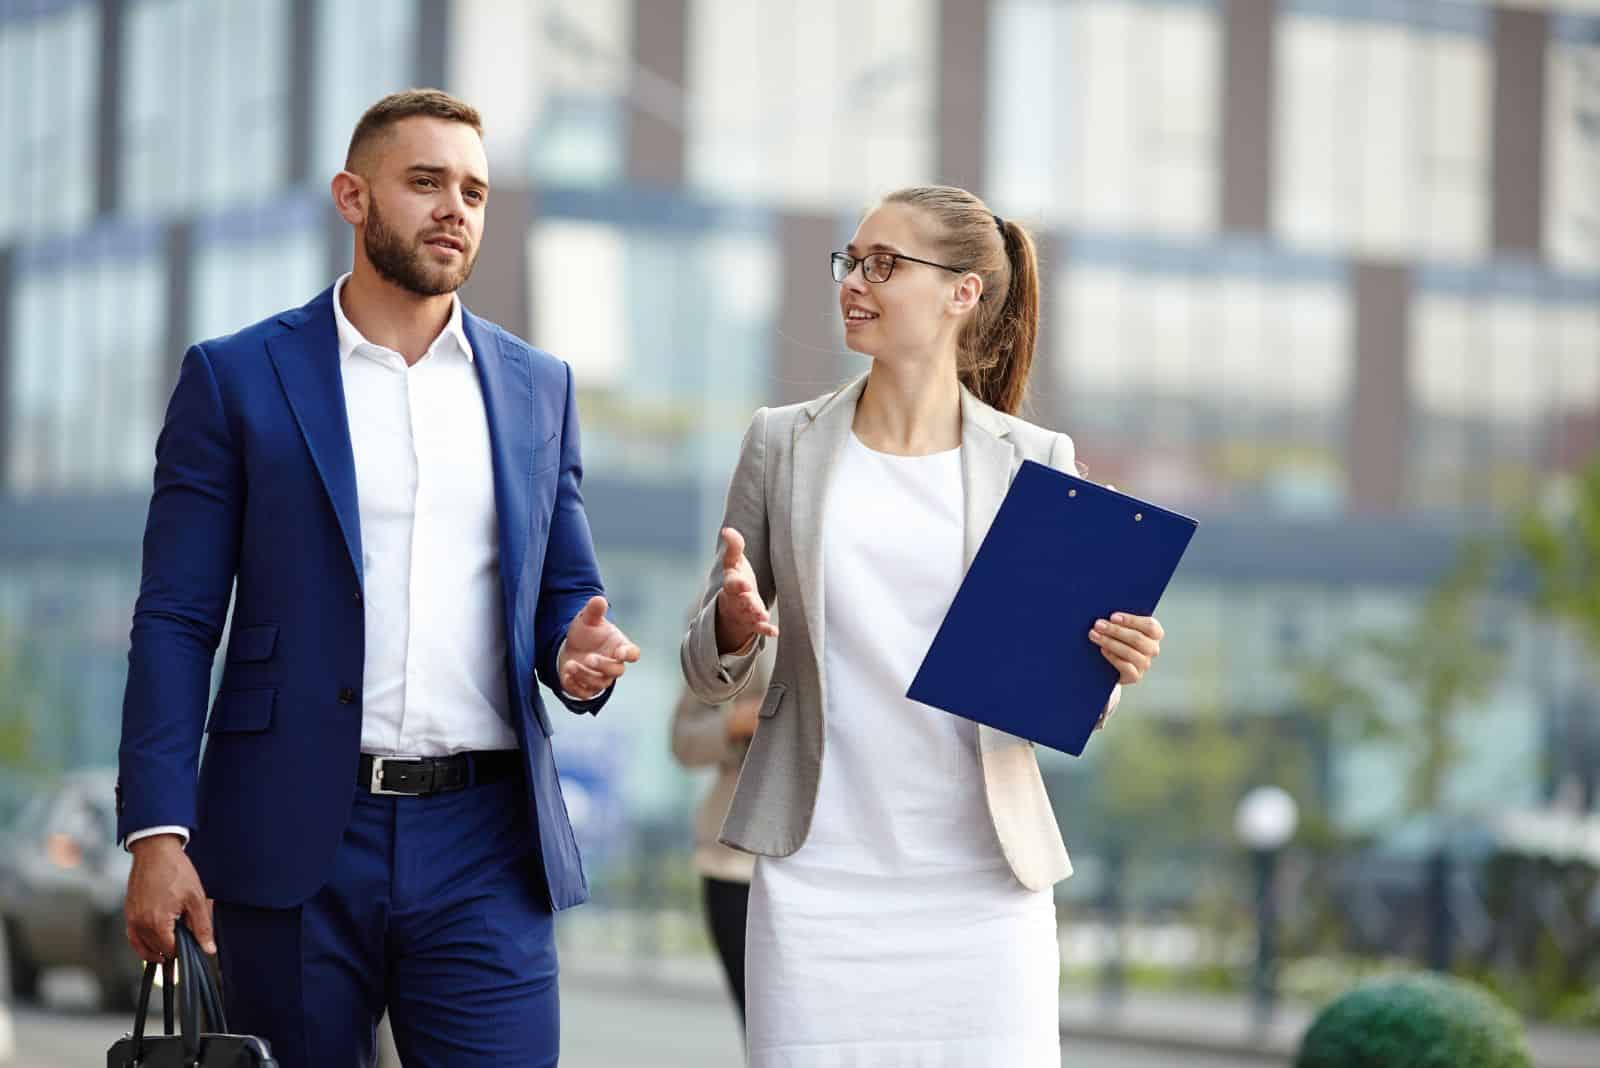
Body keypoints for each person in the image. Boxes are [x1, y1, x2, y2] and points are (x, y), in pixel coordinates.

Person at [116, 89, 639, 1068]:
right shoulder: (236, 379)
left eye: (475, 191)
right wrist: (157, 832)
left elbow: (565, 590)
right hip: (292, 836)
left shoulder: (539, 387)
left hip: (487, 838)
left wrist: (577, 649)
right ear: (353, 197)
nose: (455, 209)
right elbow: (178, 618)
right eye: (427, 182)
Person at [679, 185, 1167, 1066]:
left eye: (884, 264)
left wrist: (1110, 669)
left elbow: (1055, 691)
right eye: (851, 262)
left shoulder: (1036, 460)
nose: (855, 282)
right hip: (817, 876)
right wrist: (732, 624)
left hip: (983, 888)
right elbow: (704, 669)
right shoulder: (781, 441)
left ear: (963, 292)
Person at [668, 621, 775, 1028]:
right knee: (770, 1036)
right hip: (739, 864)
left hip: (855, 858)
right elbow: (683, 738)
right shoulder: (741, 591)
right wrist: (740, 721)